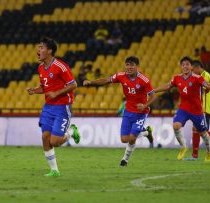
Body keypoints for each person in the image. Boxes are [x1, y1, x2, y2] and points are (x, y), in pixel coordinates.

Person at [83, 56, 156, 167]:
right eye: (127, 64)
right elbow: (106, 80)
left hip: (141, 113)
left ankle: (124, 160)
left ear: (137, 67)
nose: (129, 67)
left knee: (132, 138)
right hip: (128, 111)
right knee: (124, 139)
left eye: (132, 65)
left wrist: (145, 105)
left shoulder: (144, 80)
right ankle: (147, 132)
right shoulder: (121, 76)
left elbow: (153, 96)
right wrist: (91, 82)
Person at [27, 37, 80, 177]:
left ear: (50, 51)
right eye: (38, 47)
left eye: (41, 47)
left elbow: (74, 85)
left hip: (62, 107)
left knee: (55, 141)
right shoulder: (40, 68)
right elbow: (46, 88)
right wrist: (36, 90)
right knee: (45, 137)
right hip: (48, 107)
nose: (38, 50)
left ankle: (70, 132)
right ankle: (54, 170)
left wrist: (56, 93)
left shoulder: (60, 66)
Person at [154, 56, 210, 162]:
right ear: (181, 67)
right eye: (183, 65)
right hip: (184, 109)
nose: (185, 66)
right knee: (176, 126)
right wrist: (154, 90)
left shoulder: (197, 78)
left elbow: (206, 84)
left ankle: (209, 150)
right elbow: (167, 86)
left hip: (197, 111)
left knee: (203, 133)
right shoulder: (176, 78)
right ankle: (183, 147)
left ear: (191, 67)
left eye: (187, 64)